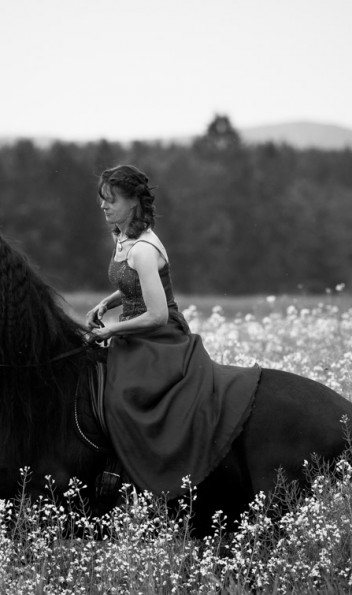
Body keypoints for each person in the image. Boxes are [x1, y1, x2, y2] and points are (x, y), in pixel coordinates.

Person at [85, 164, 260, 497]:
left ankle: (129, 472)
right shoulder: (123, 237)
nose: (103, 206)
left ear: (133, 202)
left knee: (124, 396)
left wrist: (110, 331)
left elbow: (157, 314)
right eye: (102, 199)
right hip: (135, 331)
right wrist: (105, 305)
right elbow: (131, 285)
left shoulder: (144, 250)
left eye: (111, 200)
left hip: (158, 337)